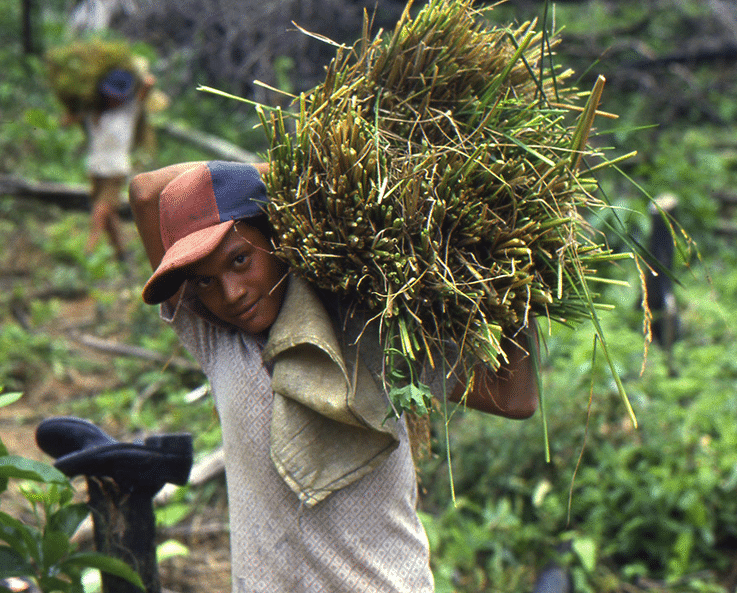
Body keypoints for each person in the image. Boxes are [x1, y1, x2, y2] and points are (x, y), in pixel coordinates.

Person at [129, 160, 539, 592]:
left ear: (278, 236)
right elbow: (144, 192)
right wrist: (288, 170)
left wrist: (516, 280)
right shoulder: (218, 340)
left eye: (241, 260)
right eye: (206, 281)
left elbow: (512, 398)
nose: (231, 293)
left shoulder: (370, 328)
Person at [64, 65, 155, 263]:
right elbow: (67, 120)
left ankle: (88, 251)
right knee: (109, 216)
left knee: (100, 210)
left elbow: (148, 84)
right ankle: (121, 254)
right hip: (96, 170)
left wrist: (138, 69)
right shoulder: (95, 112)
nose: (111, 98)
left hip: (115, 171)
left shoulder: (129, 111)